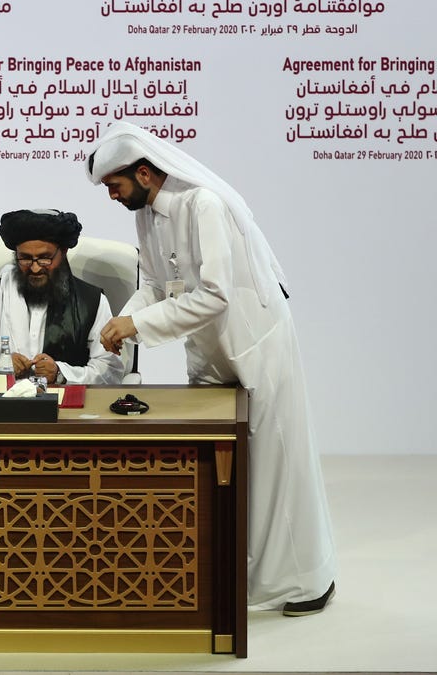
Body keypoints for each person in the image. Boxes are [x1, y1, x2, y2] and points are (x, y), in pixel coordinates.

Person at [85, 121, 337, 616]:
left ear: (142, 172)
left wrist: (137, 324)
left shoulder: (205, 205)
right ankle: (229, 572)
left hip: (255, 346)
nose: (112, 196)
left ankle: (308, 580)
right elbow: (158, 286)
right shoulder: (147, 215)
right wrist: (123, 319)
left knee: (276, 466)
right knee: (219, 464)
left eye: (114, 186)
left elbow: (217, 294)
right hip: (209, 351)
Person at [0, 209, 125, 386]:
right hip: (2, 404)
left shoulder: (91, 300)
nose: (35, 268)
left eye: (44, 259)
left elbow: (110, 370)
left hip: (64, 408)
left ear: (62, 252)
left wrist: (60, 373)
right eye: (25, 259)